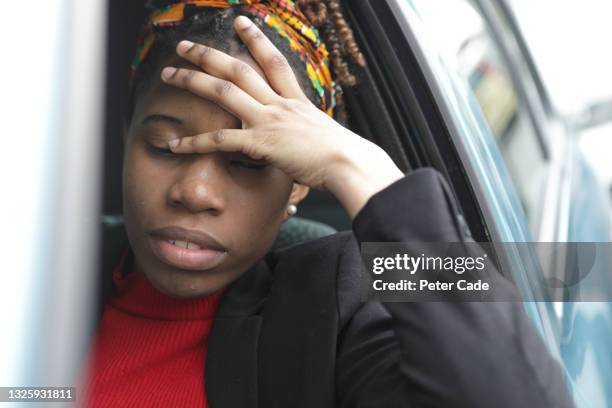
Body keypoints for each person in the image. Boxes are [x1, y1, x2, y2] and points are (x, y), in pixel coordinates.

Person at [83, 1, 574, 407]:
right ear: (126, 140)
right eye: (167, 146)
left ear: (298, 183)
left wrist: (359, 167)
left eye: (250, 161)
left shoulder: (331, 322)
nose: (195, 193)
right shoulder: (46, 273)